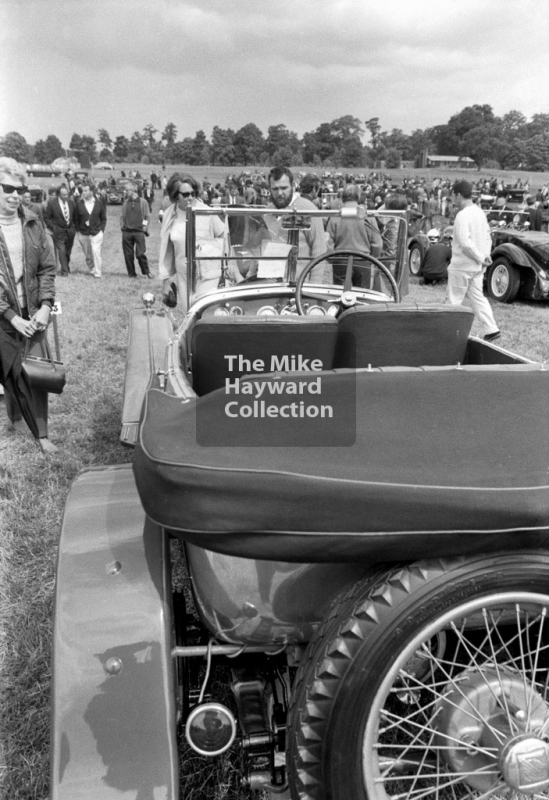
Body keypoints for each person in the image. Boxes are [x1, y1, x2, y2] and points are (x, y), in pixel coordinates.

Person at [0, 157, 57, 451]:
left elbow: (47, 267)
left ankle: (42, 433)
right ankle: (17, 419)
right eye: (7, 187)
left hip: (33, 309)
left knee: (37, 370)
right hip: (3, 314)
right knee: (11, 368)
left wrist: (46, 305)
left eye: (19, 189)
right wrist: (10, 316)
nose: (14, 195)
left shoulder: (33, 220)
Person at [158, 173, 225, 312]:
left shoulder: (207, 211)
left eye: (193, 193)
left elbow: (224, 237)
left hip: (208, 276)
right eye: (186, 194)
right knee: (188, 314)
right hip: (183, 276)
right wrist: (165, 280)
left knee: (205, 315)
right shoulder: (169, 215)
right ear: (176, 195)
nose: (190, 197)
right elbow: (166, 250)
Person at [446, 180, 500, 342]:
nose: (452, 200)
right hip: (477, 265)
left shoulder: (462, 215)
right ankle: (491, 328)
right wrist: (485, 256)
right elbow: (487, 236)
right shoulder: (479, 212)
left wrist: (480, 256)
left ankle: (449, 331)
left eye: (453, 196)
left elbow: (464, 242)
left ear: (458, 195)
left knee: (454, 299)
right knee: (478, 297)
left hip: (463, 264)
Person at [266, 166, 328, 281]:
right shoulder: (266, 212)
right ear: (269, 188)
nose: (280, 193)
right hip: (271, 286)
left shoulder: (307, 209)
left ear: (293, 186)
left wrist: (313, 286)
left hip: (299, 287)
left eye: (284, 188)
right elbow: (262, 248)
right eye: (275, 189)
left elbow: (319, 249)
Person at [74, 182, 107, 279]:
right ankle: (92, 268)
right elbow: (76, 219)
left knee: (95, 251)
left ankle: (98, 272)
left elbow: (103, 218)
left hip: (96, 232)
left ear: (91, 192)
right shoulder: (79, 204)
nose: (83, 192)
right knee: (88, 254)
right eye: (82, 191)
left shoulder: (99, 203)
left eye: (85, 190)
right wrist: (78, 231)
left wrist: (101, 230)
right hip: (83, 233)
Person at [44, 185, 76, 276]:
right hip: (58, 232)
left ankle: (66, 266)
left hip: (70, 231)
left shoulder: (71, 202)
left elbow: (75, 216)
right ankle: (64, 271)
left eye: (67, 194)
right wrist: (53, 228)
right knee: (61, 250)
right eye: (63, 195)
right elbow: (46, 218)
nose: (65, 197)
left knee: (68, 252)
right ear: (58, 194)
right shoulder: (52, 204)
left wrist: (74, 228)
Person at [120, 183, 151, 278]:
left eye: (127, 190)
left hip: (139, 232)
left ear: (133, 190)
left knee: (140, 253)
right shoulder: (125, 203)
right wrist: (122, 227)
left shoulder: (143, 202)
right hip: (127, 232)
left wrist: (144, 227)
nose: (126, 191)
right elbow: (122, 216)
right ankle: (131, 273)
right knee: (128, 255)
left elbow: (147, 216)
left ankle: (146, 272)